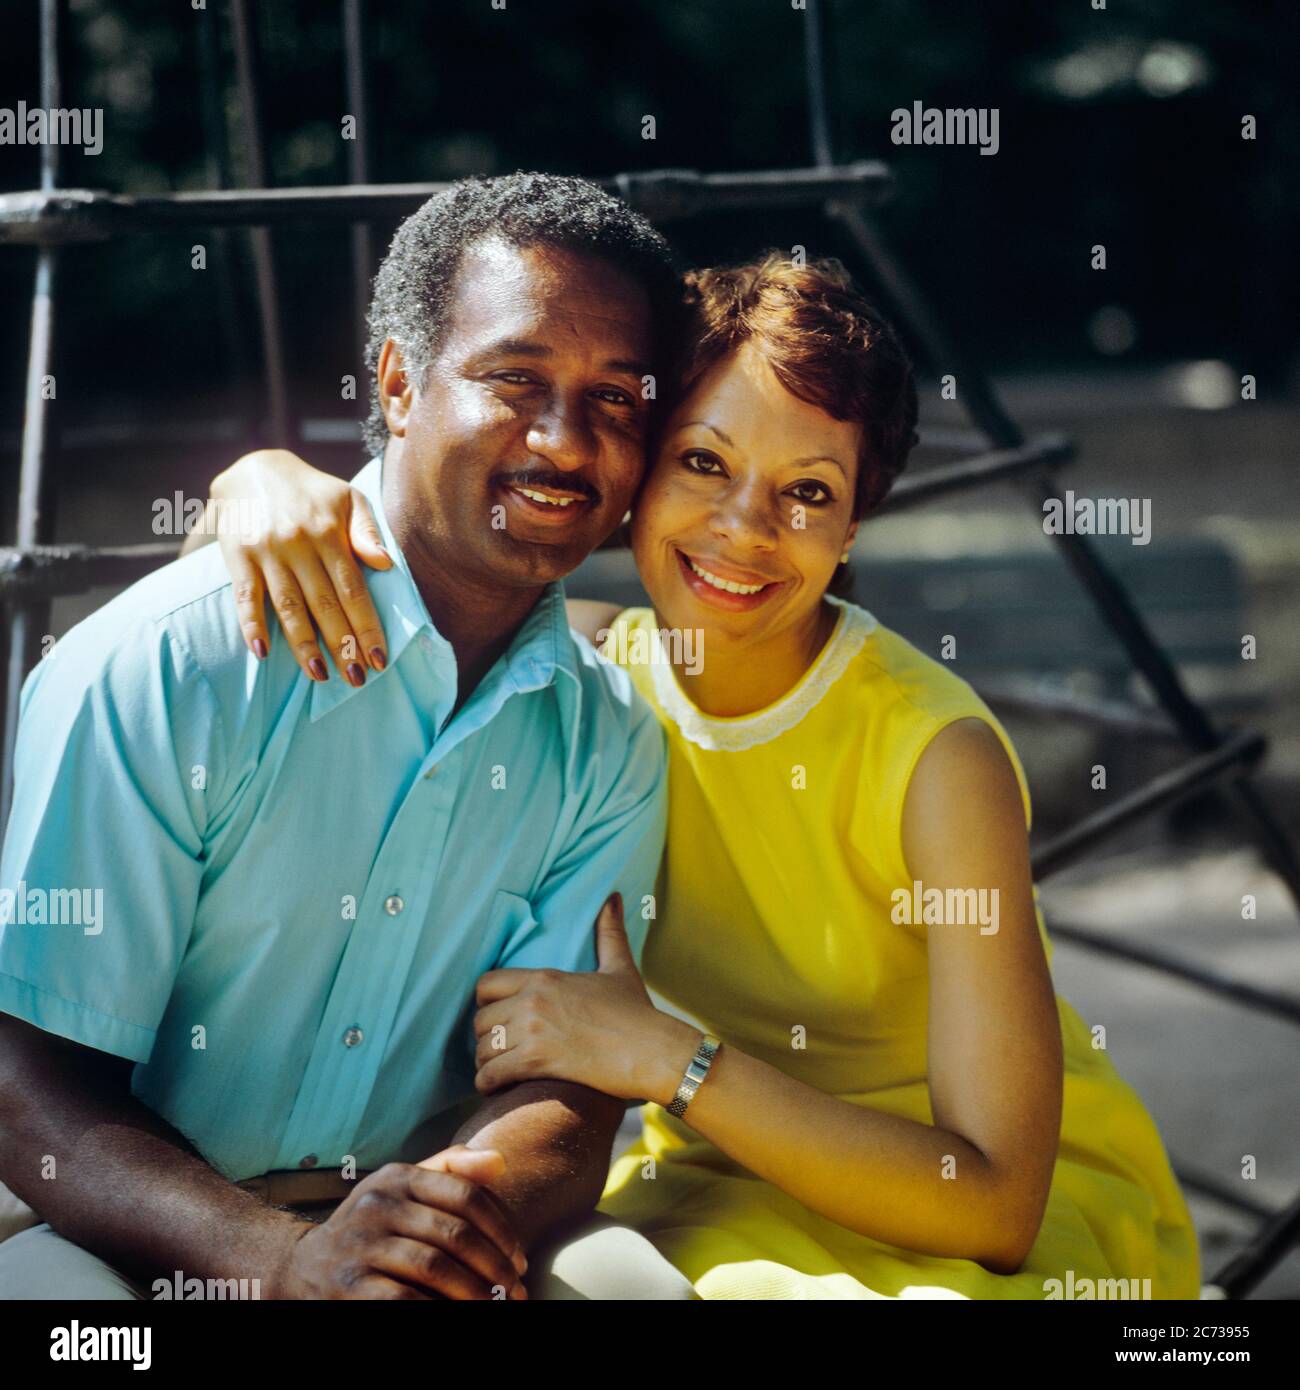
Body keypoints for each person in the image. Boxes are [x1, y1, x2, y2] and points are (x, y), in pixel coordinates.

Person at [200, 249, 1204, 1300]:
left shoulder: (934, 755)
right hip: (719, 1186)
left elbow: (993, 1203)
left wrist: (669, 1060)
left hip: (953, 1224)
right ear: (636, 465)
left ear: (854, 520)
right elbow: (366, 568)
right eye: (703, 463)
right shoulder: (583, 670)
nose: (743, 530)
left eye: (807, 491)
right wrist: (253, 483)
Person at [0, 172, 699, 1301]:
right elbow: (27, 1084)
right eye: (515, 379)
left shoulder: (608, 736)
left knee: (637, 1292)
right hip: (123, 1230)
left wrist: (413, 1246)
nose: (567, 443)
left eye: (617, 400)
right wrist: (280, 1260)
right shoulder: (168, 664)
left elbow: (570, 1089)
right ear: (398, 381)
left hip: (433, 1219)